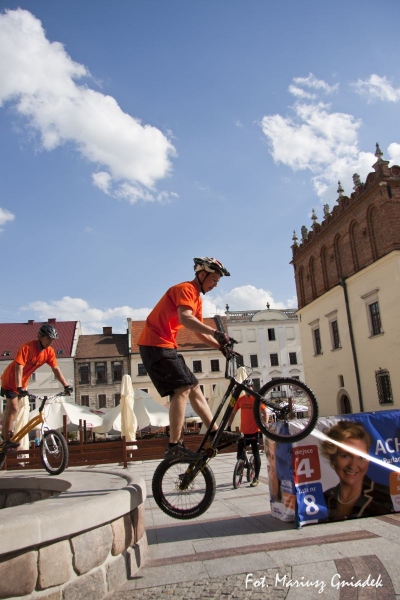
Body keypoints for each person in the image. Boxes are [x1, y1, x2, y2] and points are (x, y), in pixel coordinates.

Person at [137, 257, 242, 459]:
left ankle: (215, 434)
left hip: (166, 346)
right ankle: (174, 444)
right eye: (214, 280)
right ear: (202, 274)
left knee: (194, 387)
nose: (215, 285)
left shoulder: (197, 299)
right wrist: (216, 333)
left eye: (217, 282)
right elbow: (185, 318)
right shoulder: (185, 289)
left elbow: (198, 332)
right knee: (182, 389)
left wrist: (220, 347)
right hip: (154, 345)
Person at [0, 323, 73, 450]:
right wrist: (19, 387)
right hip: (10, 381)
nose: (50, 342)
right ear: (40, 336)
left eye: (52, 339)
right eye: (48, 338)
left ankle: (12, 434)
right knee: (13, 408)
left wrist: (66, 385)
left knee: (21, 409)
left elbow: (55, 368)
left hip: (23, 384)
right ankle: (6, 439)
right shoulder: (27, 348)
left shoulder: (49, 352)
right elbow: (18, 367)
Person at [320, 420, 393, 521]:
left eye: (361, 457)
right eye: (345, 456)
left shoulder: (384, 496)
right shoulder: (325, 498)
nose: (353, 465)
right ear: (333, 458)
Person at [227, 379, 262, 487]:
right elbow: (233, 413)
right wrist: (229, 426)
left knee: (256, 454)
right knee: (239, 454)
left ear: (252, 387)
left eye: (249, 387)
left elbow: (264, 413)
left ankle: (256, 478)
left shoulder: (256, 399)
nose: (247, 390)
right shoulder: (240, 400)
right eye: (245, 388)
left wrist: (263, 428)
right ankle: (241, 465)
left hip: (255, 432)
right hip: (244, 432)